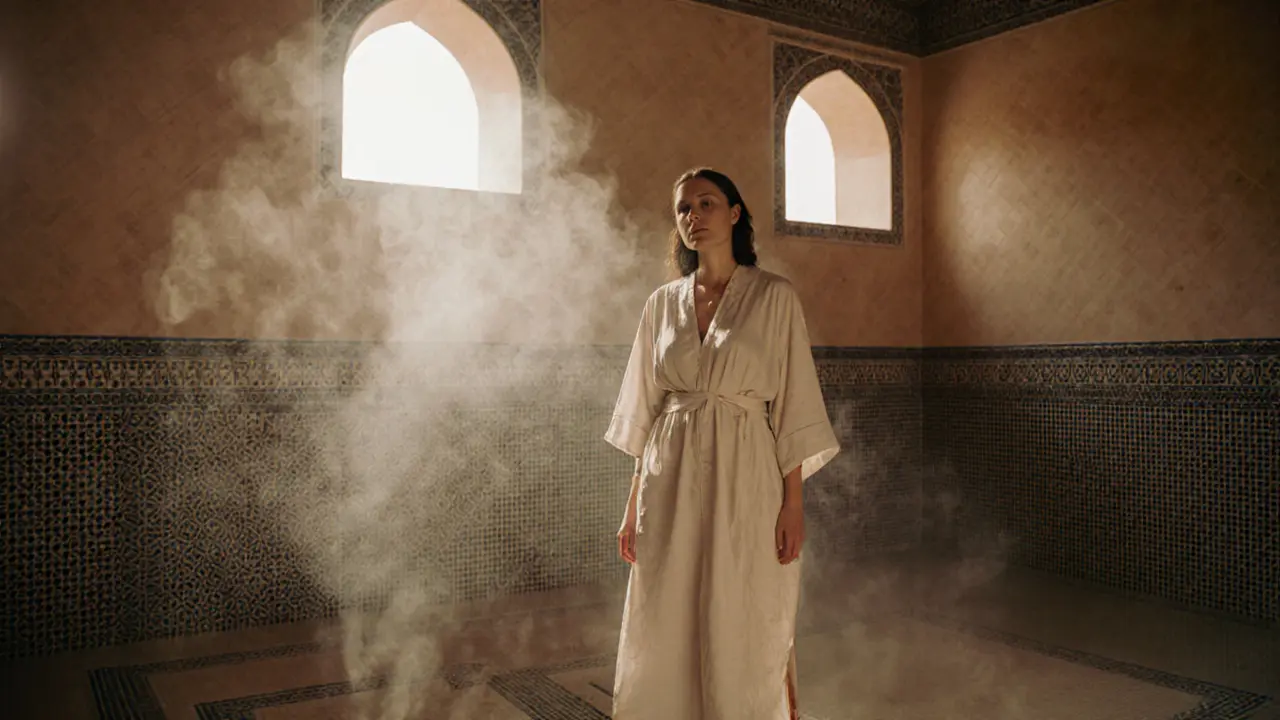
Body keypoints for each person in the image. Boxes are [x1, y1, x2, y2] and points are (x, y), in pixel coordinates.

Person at [603, 167, 840, 719]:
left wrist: (794, 503)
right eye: (684, 208)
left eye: (707, 203)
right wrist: (632, 502)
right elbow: (646, 406)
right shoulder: (661, 304)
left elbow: (794, 407)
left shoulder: (775, 298)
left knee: (744, 600)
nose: (694, 217)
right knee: (668, 605)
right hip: (670, 473)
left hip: (748, 472)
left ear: (735, 214)